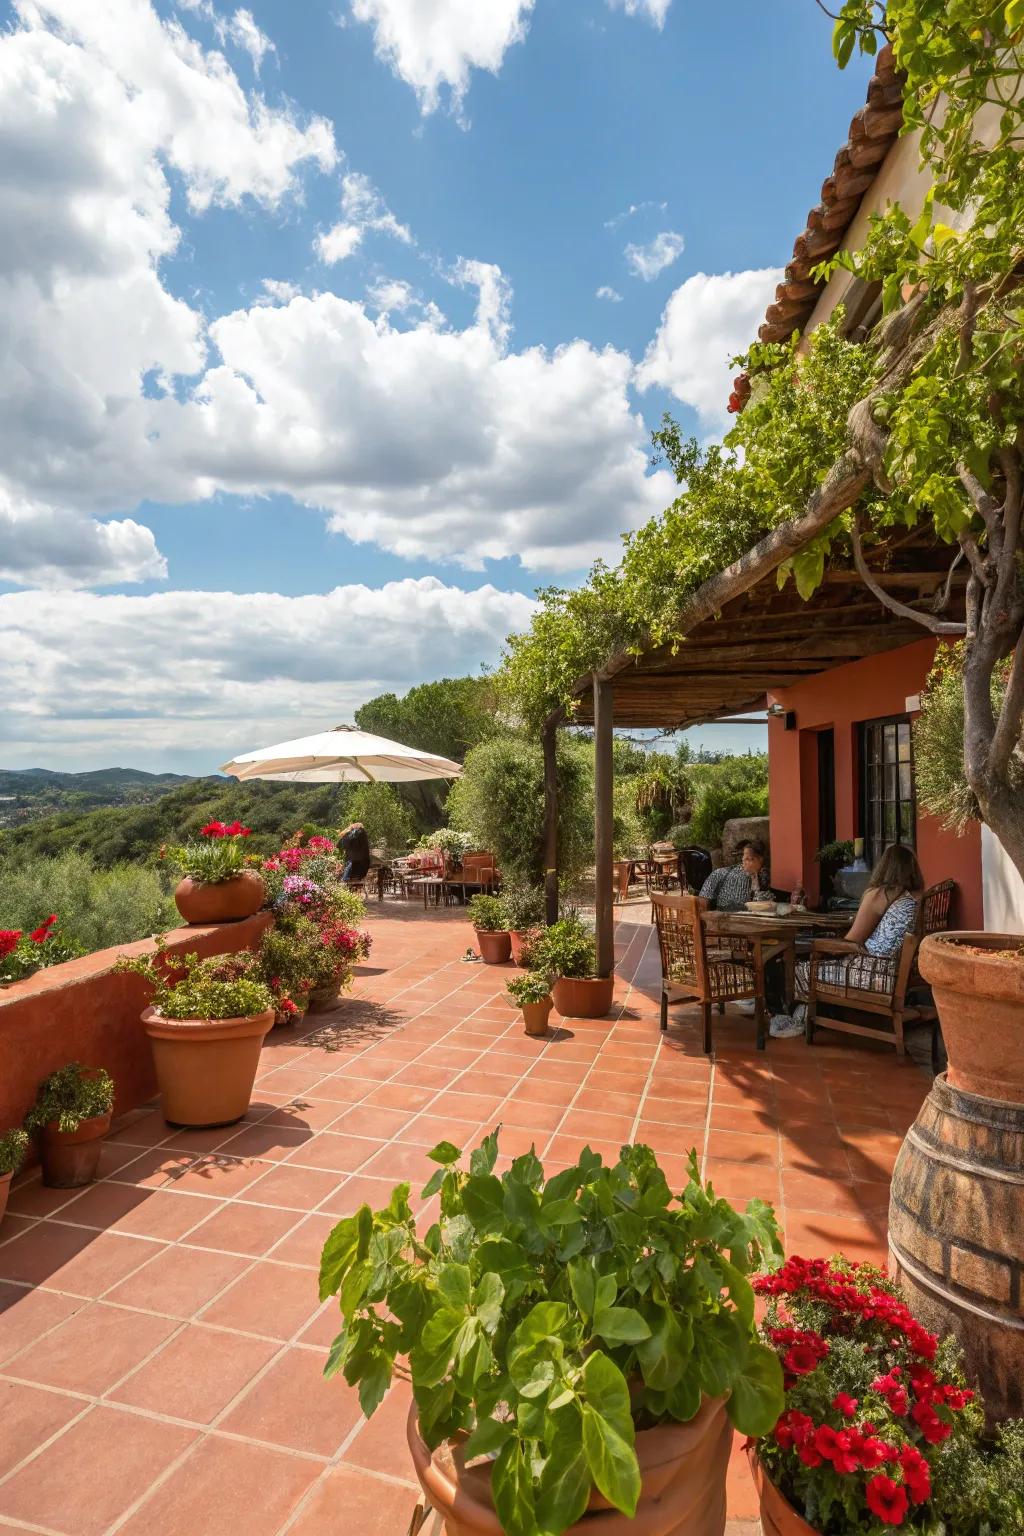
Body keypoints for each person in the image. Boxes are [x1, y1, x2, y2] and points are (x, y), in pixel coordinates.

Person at [769, 843, 925, 1038]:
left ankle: (803, 1017)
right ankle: (825, 1012)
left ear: (884, 866)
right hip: (897, 971)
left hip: (873, 974)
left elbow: (851, 941)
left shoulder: (880, 894)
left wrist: (820, 944)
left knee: (800, 965)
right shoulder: (917, 899)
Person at [698, 838, 772, 911]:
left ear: (761, 859)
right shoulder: (720, 873)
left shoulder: (766, 876)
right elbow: (703, 900)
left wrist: (755, 878)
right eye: (746, 859)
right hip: (723, 915)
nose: (746, 862)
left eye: (751, 859)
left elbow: (764, 906)